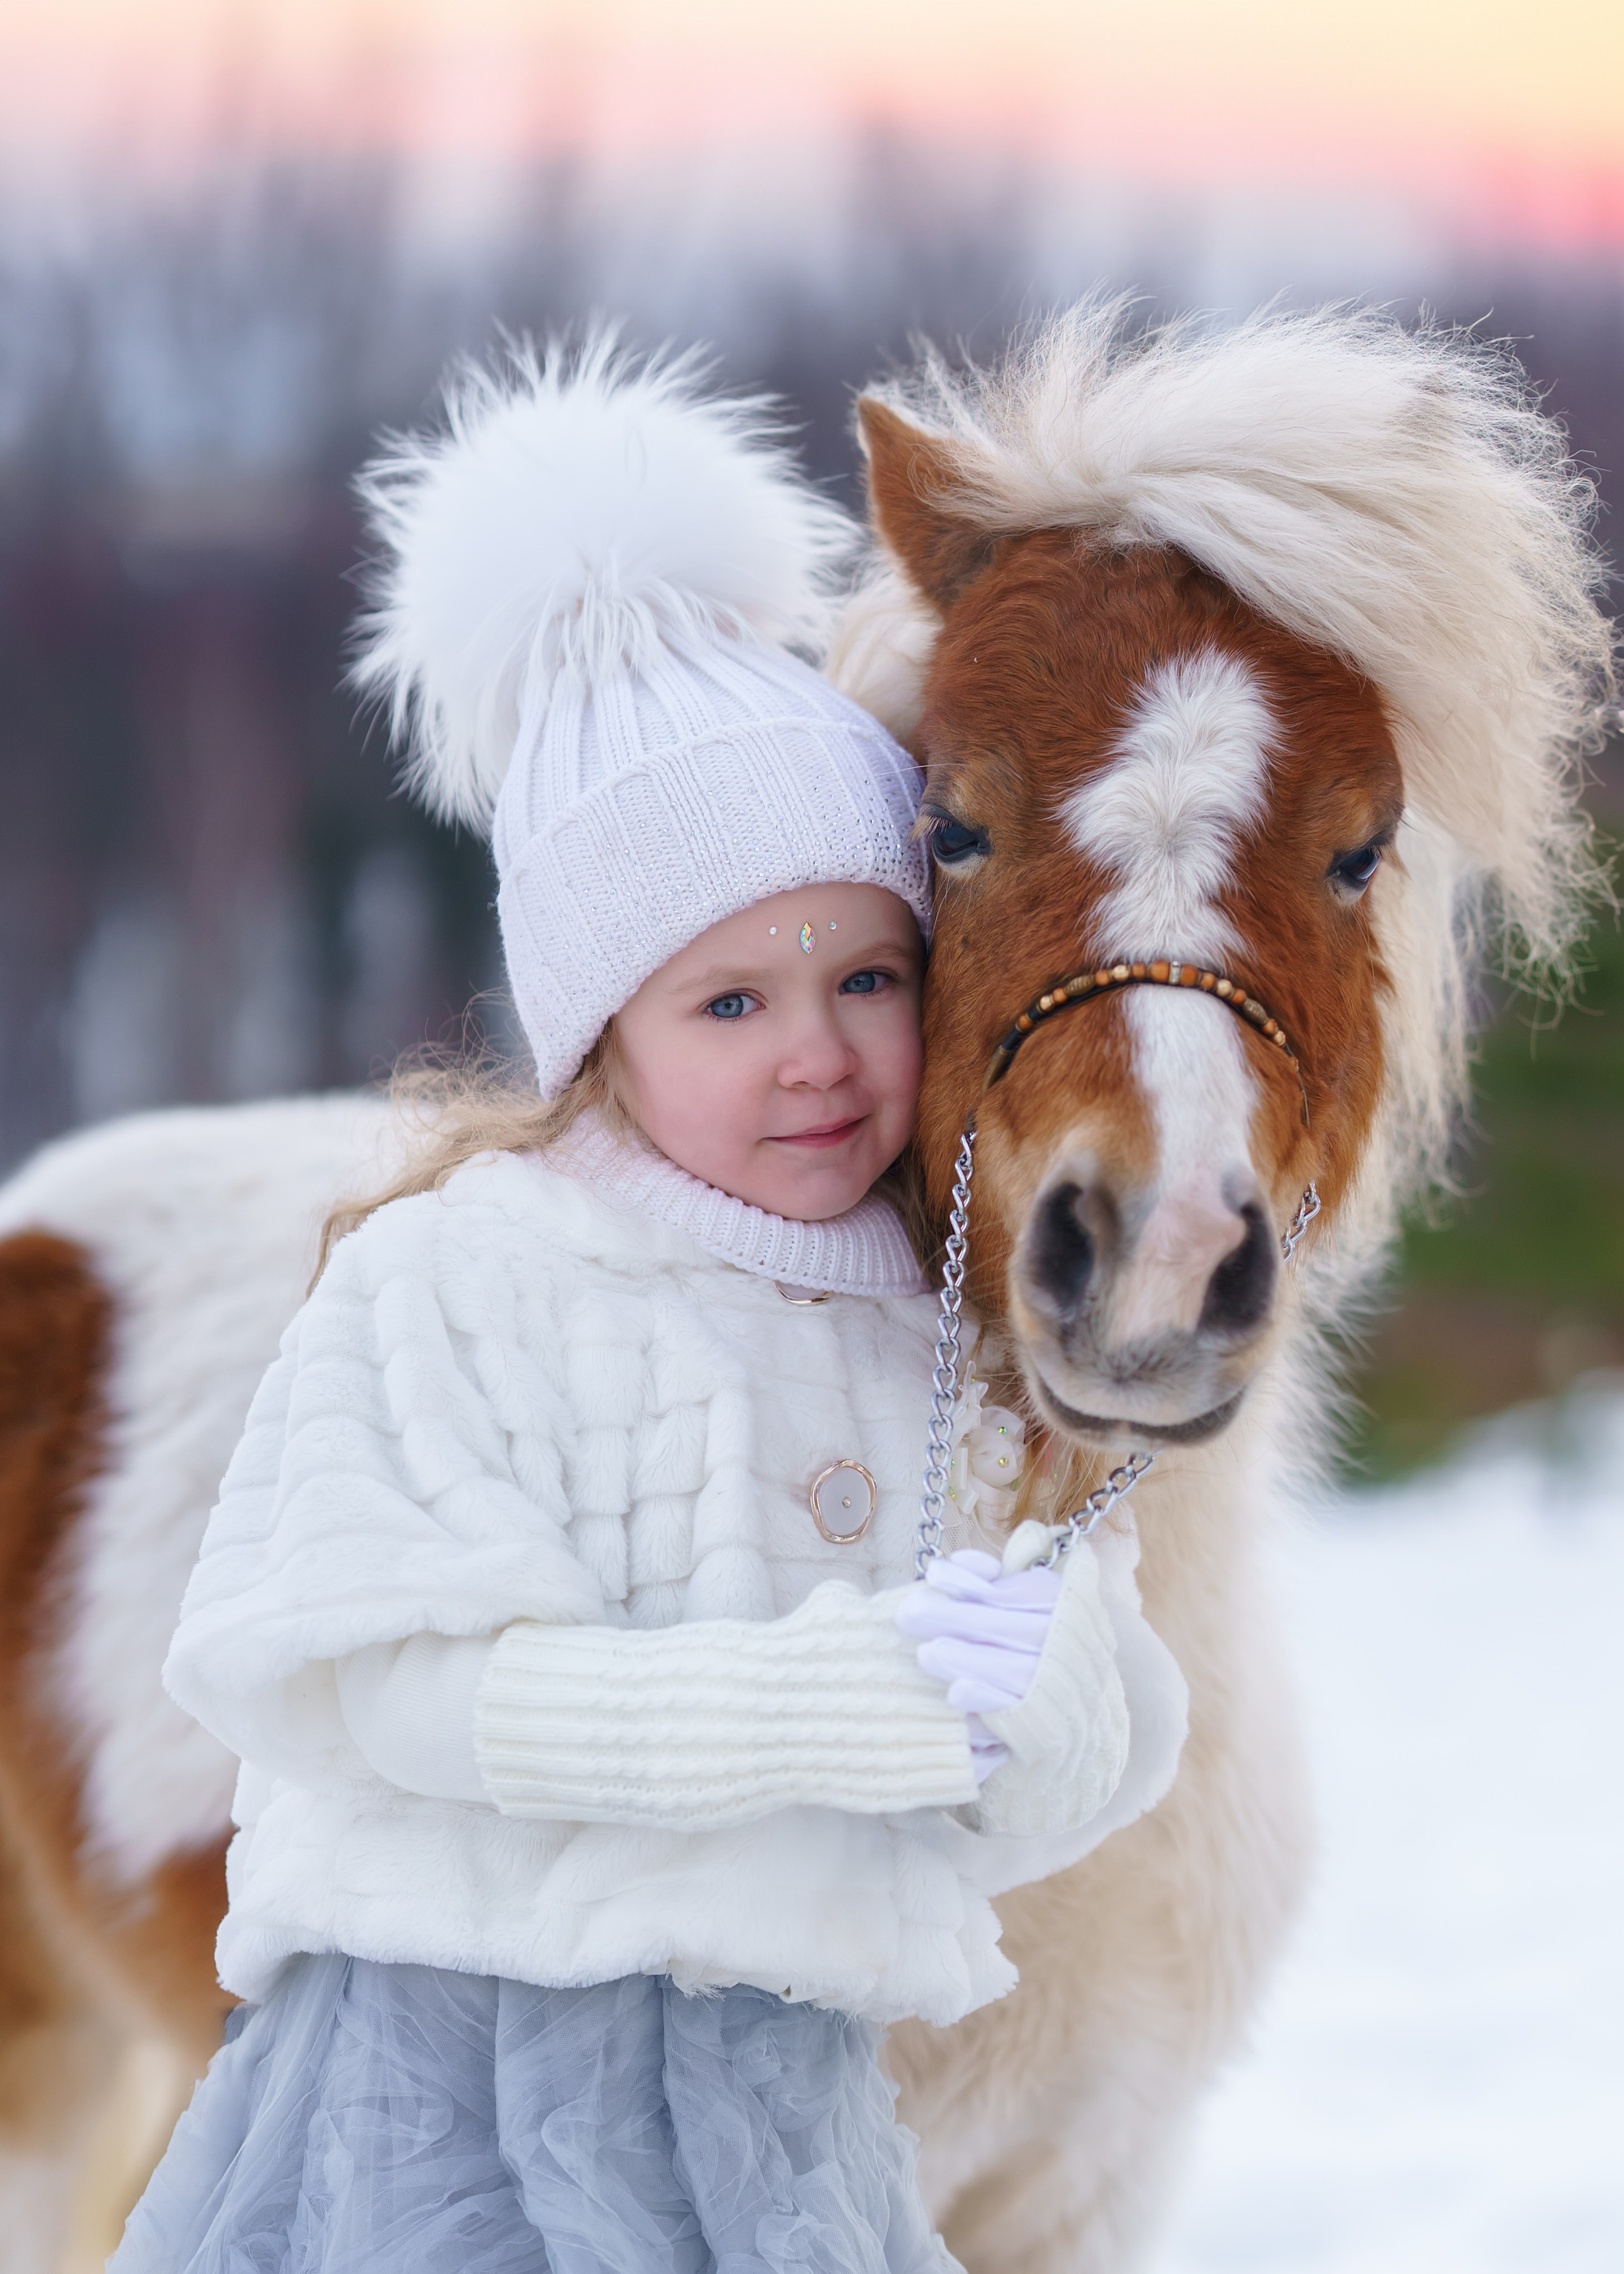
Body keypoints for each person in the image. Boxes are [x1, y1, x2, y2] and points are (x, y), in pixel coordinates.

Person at [112, 341, 1187, 2274]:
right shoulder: (472, 1276)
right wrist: (804, 1710)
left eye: (868, 978)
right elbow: (380, 1684)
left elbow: (1051, 1746)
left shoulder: (943, 1331)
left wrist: (1040, 1704)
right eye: (730, 1002)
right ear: (601, 1029)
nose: (817, 1054)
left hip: (787, 2125)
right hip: (450, 2089)